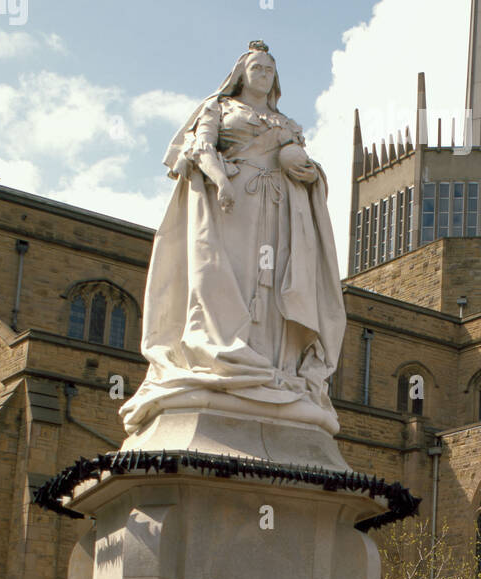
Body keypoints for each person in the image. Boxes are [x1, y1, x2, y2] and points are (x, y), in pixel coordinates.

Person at [120, 41, 345, 436]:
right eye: (257, 67)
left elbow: (302, 164)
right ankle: (227, 355)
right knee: (227, 277)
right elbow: (200, 148)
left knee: (272, 286)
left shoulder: (286, 123)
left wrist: (308, 173)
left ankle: (270, 364)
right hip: (232, 205)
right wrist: (222, 180)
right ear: (242, 73)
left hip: (277, 211)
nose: (263, 74)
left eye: (269, 69)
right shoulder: (219, 108)